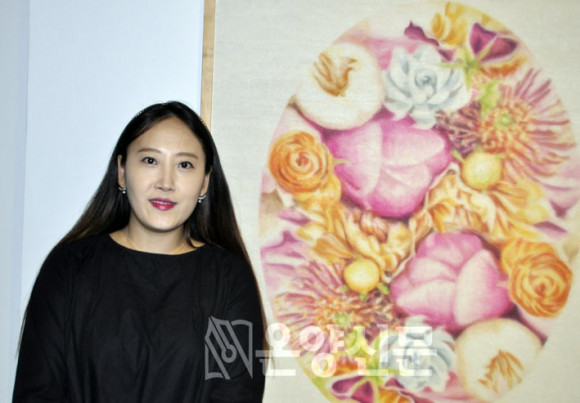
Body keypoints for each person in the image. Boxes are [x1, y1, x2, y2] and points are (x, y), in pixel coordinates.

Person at [13, 101, 266, 402]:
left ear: (205, 183)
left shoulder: (230, 279)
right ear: (121, 171)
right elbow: (37, 392)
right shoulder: (68, 268)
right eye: (150, 160)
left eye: (184, 165)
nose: (166, 183)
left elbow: (237, 394)